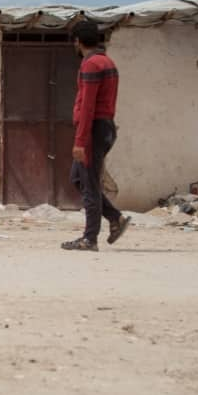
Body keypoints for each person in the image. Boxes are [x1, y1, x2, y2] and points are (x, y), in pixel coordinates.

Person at [62, 20, 129, 252]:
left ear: (78, 41)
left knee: (89, 183)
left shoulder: (91, 65)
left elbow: (88, 106)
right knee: (78, 179)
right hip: (104, 127)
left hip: (93, 129)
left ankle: (90, 239)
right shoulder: (107, 62)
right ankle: (115, 218)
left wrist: (80, 141)